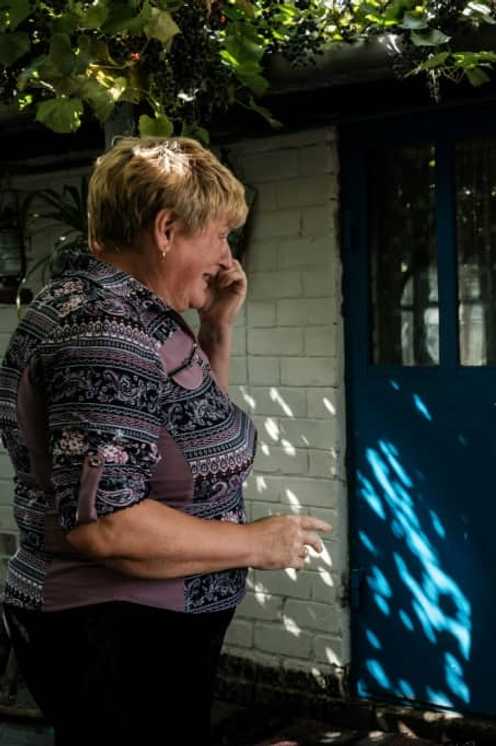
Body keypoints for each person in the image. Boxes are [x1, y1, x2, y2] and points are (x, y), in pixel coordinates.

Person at [0, 137, 330, 744]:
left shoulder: (135, 313)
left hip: (139, 629)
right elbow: (106, 524)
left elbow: (184, 439)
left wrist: (216, 331)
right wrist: (253, 544)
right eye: (220, 234)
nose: (227, 256)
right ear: (167, 229)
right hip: (114, 634)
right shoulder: (106, 332)